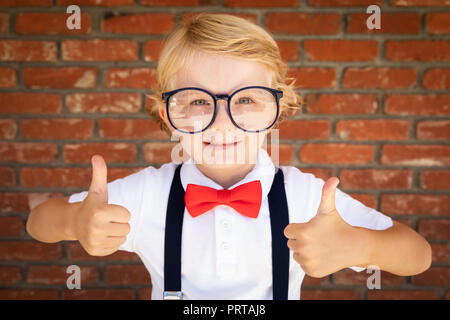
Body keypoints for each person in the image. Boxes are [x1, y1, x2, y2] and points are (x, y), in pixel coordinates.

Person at [26, 13, 432, 300]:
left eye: (248, 99)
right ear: (168, 118)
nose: (223, 123)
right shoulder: (148, 193)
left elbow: (418, 255)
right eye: (198, 101)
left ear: (277, 111)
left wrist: (359, 247)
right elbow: (37, 223)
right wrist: (75, 220)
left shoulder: (306, 197)